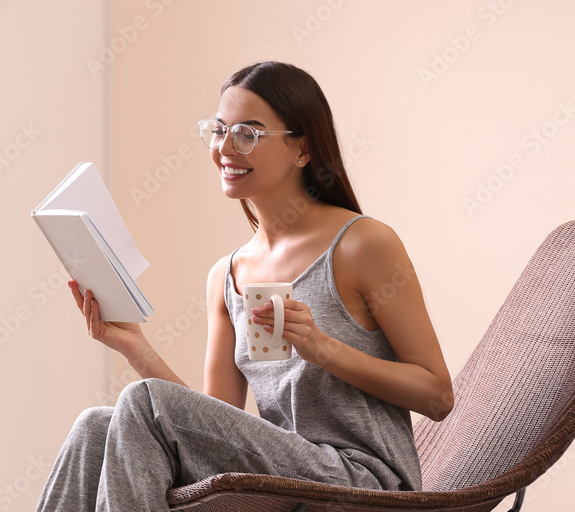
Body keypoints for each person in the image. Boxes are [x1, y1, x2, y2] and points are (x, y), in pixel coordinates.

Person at [35, 61, 454, 512]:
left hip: (364, 483)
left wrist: (322, 348)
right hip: (285, 477)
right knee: (96, 425)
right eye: (219, 130)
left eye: (248, 134)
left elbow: (437, 395)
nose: (225, 148)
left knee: (140, 403)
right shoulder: (228, 275)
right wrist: (136, 348)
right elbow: (207, 424)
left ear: (302, 149)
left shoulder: (362, 245)